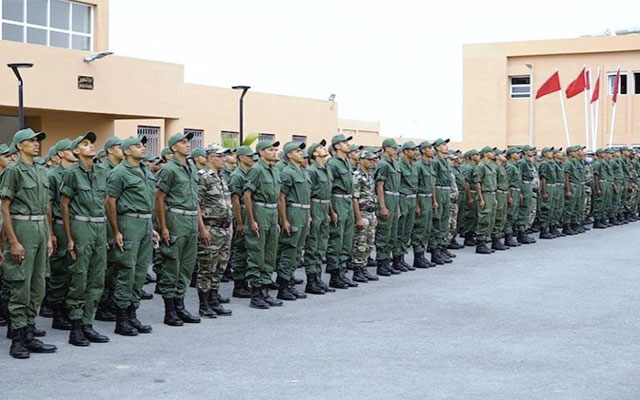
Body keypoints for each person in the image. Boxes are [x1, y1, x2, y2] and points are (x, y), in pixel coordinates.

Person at [1, 128, 57, 359]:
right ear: (19, 145)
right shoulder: (13, 170)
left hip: (40, 228)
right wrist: (13, 241)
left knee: (38, 284)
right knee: (20, 284)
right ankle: (18, 339)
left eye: (37, 140)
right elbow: (5, 208)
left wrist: (49, 236)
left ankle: (30, 333)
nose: (36, 144)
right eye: (31, 141)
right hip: (22, 227)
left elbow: (46, 208)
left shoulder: (41, 170)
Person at [60, 132, 110, 346]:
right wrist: (70, 237)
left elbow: (104, 202)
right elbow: (64, 204)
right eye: (85, 144)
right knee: (79, 276)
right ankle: (76, 326)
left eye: (92, 143)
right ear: (76, 151)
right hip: (81, 225)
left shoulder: (101, 172)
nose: (91, 146)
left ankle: (88, 323)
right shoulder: (72, 173)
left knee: (97, 277)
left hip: (99, 225)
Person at [156, 132, 209, 325]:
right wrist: (163, 227)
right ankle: (169, 310)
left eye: (188, 142)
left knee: (187, 266)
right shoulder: (170, 170)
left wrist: (201, 227)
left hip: (191, 219)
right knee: (172, 265)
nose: (188, 145)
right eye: (183, 142)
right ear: (174, 147)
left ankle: (180, 305)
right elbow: (159, 198)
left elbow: (195, 201)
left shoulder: (191, 168)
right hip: (176, 218)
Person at [106, 135, 156, 336]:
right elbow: (110, 202)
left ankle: (132, 313)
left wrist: (151, 227)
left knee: (141, 271)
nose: (142, 148)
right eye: (137, 146)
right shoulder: (119, 172)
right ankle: (122, 319)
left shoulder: (145, 170)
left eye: (143, 145)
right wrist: (116, 230)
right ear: (127, 151)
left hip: (145, 221)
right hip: (129, 222)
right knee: (127, 270)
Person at [243, 140, 283, 309]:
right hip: (260, 210)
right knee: (257, 253)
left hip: (272, 212)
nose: (274, 152)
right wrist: (252, 220)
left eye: (275, 149)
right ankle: (256, 294)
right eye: (270, 149)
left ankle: (265, 290)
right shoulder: (257, 169)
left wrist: (279, 219)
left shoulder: (275, 170)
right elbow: (247, 196)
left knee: (270, 253)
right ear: (261, 152)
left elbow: (278, 197)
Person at [196, 145, 234, 317]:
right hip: (210, 227)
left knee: (220, 266)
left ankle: (214, 300)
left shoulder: (221, 177)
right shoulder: (203, 177)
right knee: (207, 267)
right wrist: (202, 229)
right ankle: (204, 305)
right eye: (220, 156)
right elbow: (196, 204)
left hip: (224, 228)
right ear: (211, 158)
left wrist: (230, 225)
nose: (224, 159)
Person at [46, 139, 77, 331]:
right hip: (58, 224)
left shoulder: (75, 173)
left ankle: (67, 308)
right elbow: (48, 206)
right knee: (60, 269)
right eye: (69, 150)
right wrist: (51, 233)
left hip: (75, 224)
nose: (74, 152)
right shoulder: (53, 176)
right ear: (60, 154)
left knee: (73, 269)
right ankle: (57, 313)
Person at [276, 141, 311, 300]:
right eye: (297, 151)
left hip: (303, 212)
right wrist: (284, 220)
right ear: (289, 155)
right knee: (290, 250)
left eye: (301, 151)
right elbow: (281, 197)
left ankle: (289, 281)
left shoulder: (303, 171)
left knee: (297, 251)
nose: (301, 153)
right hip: (293, 212)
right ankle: (283, 286)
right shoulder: (287, 172)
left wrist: (308, 215)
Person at [95, 137, 124, 322]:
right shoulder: (102, 171)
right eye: (119, 147)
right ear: (110, 150)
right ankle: (102, 304)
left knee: (117, 264)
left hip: (121, 221)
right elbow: (104, 201)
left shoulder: (121, 169)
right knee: (107, 266)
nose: (123, 149)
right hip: (106, 222)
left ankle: (112, 300)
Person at [303, 140, 336, 294]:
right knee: (313, 245)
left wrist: (331, 212)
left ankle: (318, 278)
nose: (323, 149)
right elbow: (308, 194)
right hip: (315, 206)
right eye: (320, 148)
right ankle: (311, 280)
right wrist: (309, 214)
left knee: (322, 244)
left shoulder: (326, 169)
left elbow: (327, 193)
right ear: (315, 154)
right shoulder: (312, 171)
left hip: (324, 207)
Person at [326, 134, 358, 288]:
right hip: (337, 199)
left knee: (347, 238)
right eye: (344, 142)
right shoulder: (332, 164)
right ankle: (334, 273)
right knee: (337, 238)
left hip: (347, 200)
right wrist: (331, 210)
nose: (347, 144)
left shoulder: (347, 163)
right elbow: (328, 188)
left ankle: (342, 271)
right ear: (337, 146)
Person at [228, 146, 255, 298]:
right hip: (241, 213)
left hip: (249, 211)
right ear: (240, 158)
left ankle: (245, 281)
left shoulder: (251, 172)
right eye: (249, 156)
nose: (252, 159)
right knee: (240, 250)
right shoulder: (237, 176)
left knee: (248, 248)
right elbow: (235, 200)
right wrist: (239, 222)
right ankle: (239, 284)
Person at [351, 149, 380, 281]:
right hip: (362, 213)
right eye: (369, 160)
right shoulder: (357, 176)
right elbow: (355, 198)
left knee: (369, 243)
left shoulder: (370, 175)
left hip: (370, 212)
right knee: (360, 243)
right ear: (361, 160)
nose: (372, 162)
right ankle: (357, 270)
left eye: (373, 160)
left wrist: (374, 215)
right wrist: (358, 218)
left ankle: (364, 267)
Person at [374, 138, 401, 276]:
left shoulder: (394, 163)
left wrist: (398, 206)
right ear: (386, 148)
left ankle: (387, 261)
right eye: (393, 148)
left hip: (395, 198)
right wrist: (382, 206)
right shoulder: (383, 164)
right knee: (384, 232)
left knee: (392, 233)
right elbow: (380, 186)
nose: (395, 150)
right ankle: (381, 262)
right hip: (387, 197)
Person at [411, 141, 437, 267]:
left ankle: (422, 254)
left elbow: (432, 185)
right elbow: (415, 186)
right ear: (423, 151)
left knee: (427, 228)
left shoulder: (430, 165)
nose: (432, 150)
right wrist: (417, 205)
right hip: (421, 198)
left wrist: (434, 201)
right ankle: (418, 256)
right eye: (429, 148)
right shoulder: (418, 166)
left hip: (428, 198)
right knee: (419, 228)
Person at [394, 142, 419, 271]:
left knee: (408, 231)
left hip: (412, 199)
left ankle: (402, 257)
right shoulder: (399, 165)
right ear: (405, 151)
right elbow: (396, 185)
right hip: (403, 198)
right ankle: (396, 258)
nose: (415, 152)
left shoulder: (413, 166)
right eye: (412, 150)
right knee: (400, 230)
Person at [430, 138, 454, 263]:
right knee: (437, 221)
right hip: (439, 191)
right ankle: (435, 251)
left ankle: (442, 246)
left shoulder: (445, 161)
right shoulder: (435, 162)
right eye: (443, 145)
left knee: (445, 221)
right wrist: (434, 199)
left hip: (446, 191)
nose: (446, 146)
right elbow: (433, 182)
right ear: (437, 148)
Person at [473, 146, 498, 254]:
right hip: (485, 194)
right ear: (485, 154)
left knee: (491, 219)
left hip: (491, 194)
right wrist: (481, 199)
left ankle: (485, 240)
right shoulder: (481, 166)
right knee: (484, 219)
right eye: (490, 152)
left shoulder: (491, 166)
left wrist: (494, 198)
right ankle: (480, 244)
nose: (493, 154)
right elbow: (478, 183)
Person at [516, 145, 537, 244]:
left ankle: (523, 230)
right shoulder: (522, 162)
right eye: (530, 150)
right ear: (525, 152)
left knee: (528, 209)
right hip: (524, 185)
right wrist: (520, 191)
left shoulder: (528, 162)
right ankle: (521, 233)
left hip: (528, 185)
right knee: (523, 210)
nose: (532, 152)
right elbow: (519, 177)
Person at [490, 148, 510, 250]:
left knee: (502, 216)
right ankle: (495, 240)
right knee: (497, 216)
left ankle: (498, 237)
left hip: (504, 193)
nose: (504, 156)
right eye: (502, 154)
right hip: (498, 193)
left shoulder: (501, 167)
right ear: (497, 156)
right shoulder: (495, 167)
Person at [504, 147, 523, 247]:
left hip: (516, 191)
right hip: (512, 191)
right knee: (510, 215)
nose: (518, 155)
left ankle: (510, 235)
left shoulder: (515, 166)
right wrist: (509, 196)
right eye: (516, 153)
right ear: (511, 155)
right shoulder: (510, 166)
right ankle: (508, 237)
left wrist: (519, 193)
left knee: (514, 215)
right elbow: (507, 182)